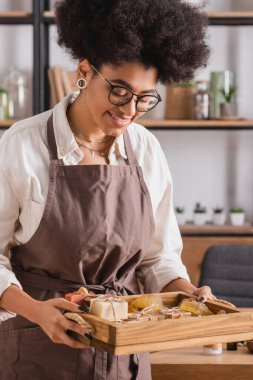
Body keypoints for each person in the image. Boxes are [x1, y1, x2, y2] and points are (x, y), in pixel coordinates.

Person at [0, 0, 216, 379]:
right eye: (119, 91)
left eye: (145, 98)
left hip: (125, 357)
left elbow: (157, 259)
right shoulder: (23, 145)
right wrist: (36, 310)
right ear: (84, 71)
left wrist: (189, 294)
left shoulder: (146, 149)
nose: (130, 109)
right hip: (39, 350)